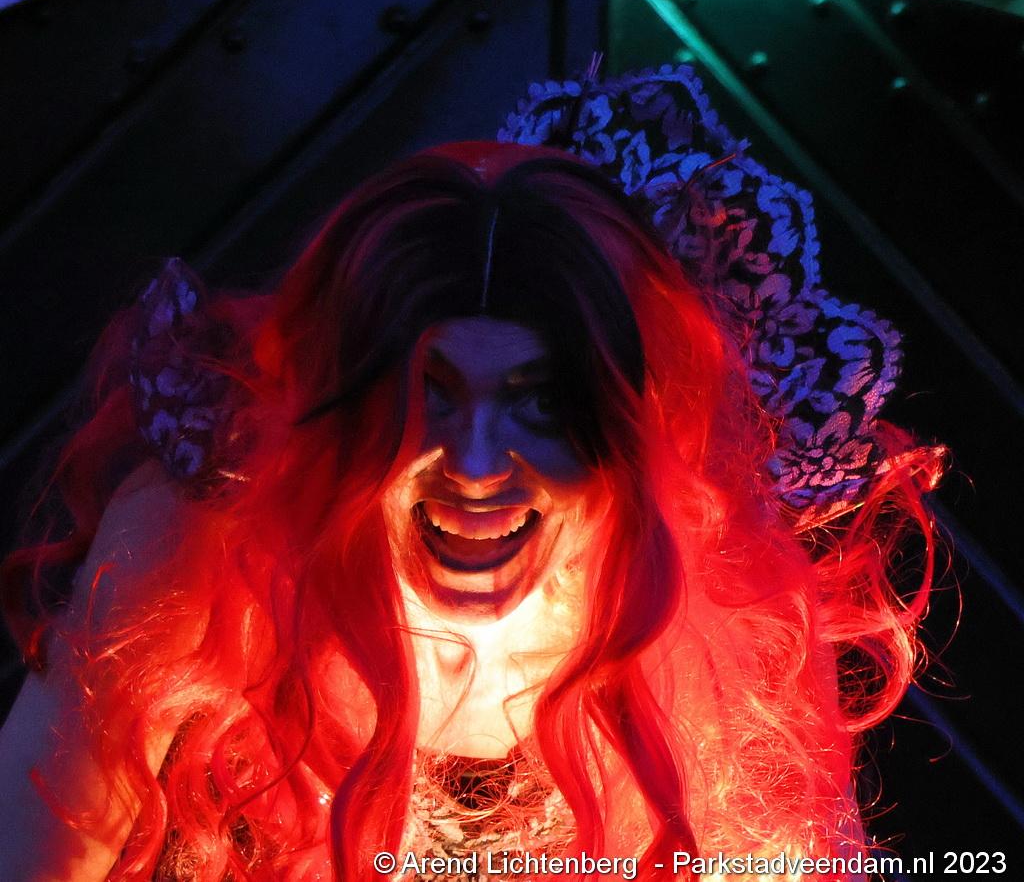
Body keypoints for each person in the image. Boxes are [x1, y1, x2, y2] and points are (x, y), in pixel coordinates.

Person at [0, 66, 944, 882]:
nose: (478, 463)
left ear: (632, 433)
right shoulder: (199, 535)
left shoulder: (735, 598)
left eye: (543, 404)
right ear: (340, 409)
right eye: (429, 395)